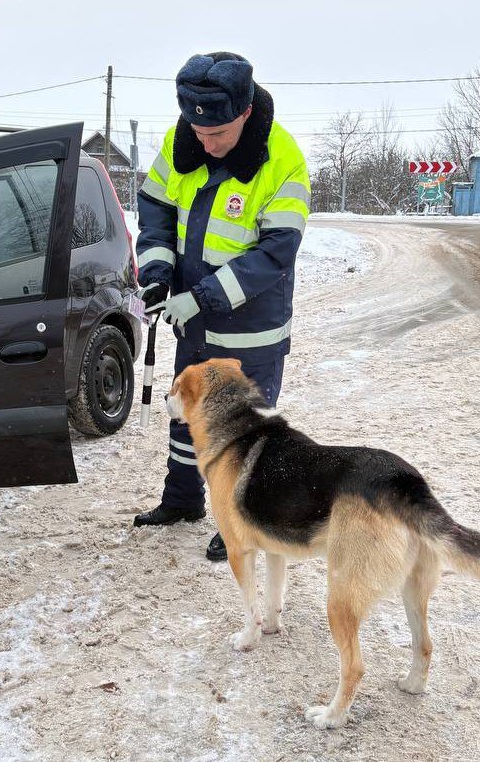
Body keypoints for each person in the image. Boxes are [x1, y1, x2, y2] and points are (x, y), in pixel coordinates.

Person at [132, 52, 311, 561]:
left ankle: (240, 522)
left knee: (245, 431)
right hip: (194, 318)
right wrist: (158, 272)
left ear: (247, 113)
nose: (205, 144)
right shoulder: (181, 138)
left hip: (251, 326)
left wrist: (203, 297)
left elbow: (275, 252)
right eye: (198, 131)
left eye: (218, 135)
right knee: (189, 414)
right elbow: (157, 209)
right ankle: (183, 500)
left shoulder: (284, 161)